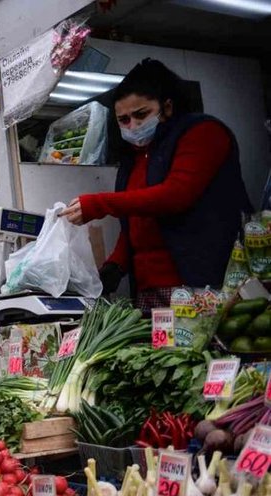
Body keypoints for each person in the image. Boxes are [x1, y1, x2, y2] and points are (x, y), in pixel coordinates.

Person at [61, 58, 251, 311]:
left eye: (141, 114)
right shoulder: (134, 157)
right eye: (123, 120)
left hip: (198, 285)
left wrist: (100, 203)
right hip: (149, 290)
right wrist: (114, 267)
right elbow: (136, 224)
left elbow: (176, 195)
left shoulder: (203, 132)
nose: (132, 125)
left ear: (167, 107)